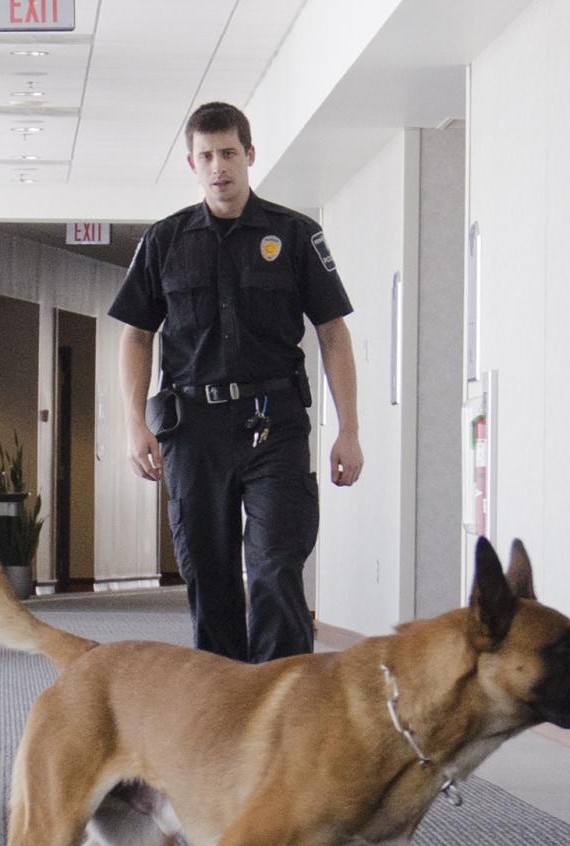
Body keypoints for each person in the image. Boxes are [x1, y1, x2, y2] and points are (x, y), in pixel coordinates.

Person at [109, 101, 363, 663]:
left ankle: (283, 703)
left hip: (274, 425)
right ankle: (224, 707)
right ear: (191, 164)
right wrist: (132, 424)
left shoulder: (295, 235)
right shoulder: (165, 240)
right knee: (209, 570)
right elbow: (135, 337)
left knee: (275, 564)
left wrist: (349, 429)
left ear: (249, 155)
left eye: (228, 153)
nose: (218, 166)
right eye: (206, 156)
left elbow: (333, 334)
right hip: (193, 429)